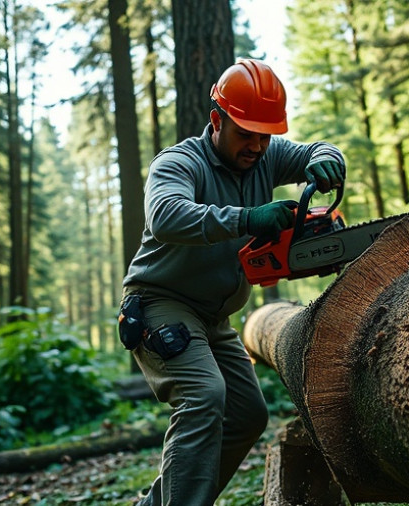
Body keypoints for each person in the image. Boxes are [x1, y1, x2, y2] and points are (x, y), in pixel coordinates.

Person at [119, 59, 346, 506]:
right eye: (246, 133)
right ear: (217, 120)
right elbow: (165, 215)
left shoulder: (265, 153)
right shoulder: (180, 163)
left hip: (213, 317)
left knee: (246, 414)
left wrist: (327, 160)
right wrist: (247, 218)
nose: (257, 146)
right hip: (160, 302)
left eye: (265, 135)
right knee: (204, 395)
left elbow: (317, 149)